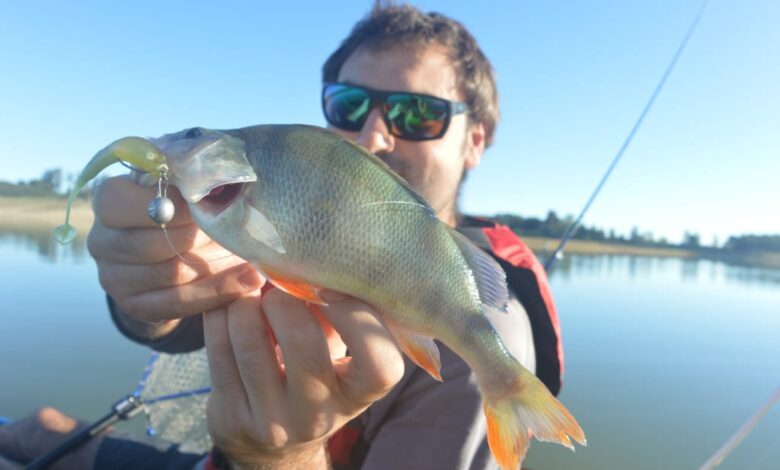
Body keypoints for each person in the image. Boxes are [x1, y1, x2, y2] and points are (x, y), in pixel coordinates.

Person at [0, 3, 564, 469]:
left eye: (418, 115)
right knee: (37, 431)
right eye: (350, 104)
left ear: (476, 142)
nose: (373, 136)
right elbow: (172, 329)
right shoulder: (272, 223)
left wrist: (282, 457)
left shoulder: (484, 345)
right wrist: (144, 294)